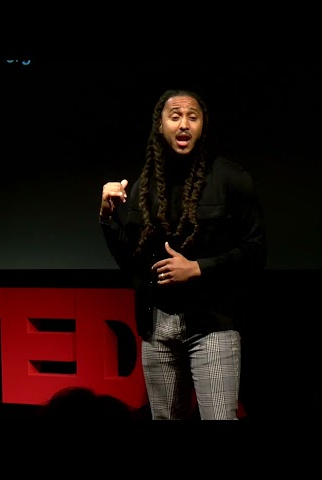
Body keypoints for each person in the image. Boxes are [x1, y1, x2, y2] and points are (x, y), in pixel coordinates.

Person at [99, 89, 266, 420]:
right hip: (158, 326)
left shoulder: (231, 178)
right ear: (160, 125)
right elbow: (131, 261)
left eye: (192, 116)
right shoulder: (144, 186)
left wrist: (198, 268)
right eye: (175, 116)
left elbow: (255, 249)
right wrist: (107, 217)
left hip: (213, 324)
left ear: (203, 125)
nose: (184, 124)